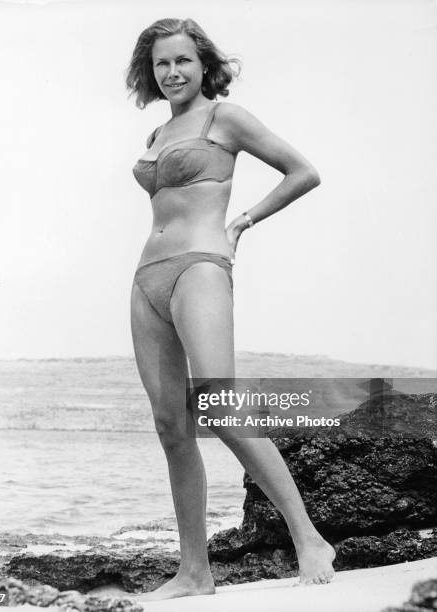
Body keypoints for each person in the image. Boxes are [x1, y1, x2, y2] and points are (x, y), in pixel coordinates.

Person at [126, 17, 335, 601]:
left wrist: (244, 220)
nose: (172, 72)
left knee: (219, 404)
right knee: (171, 426)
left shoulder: (226, 118)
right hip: (147, 280)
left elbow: (304, 171)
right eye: (161, 63)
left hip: (200, 267)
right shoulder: (157, 136)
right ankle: (195, 570)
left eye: (183, 61)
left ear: (203, 64)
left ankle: (309, 538)